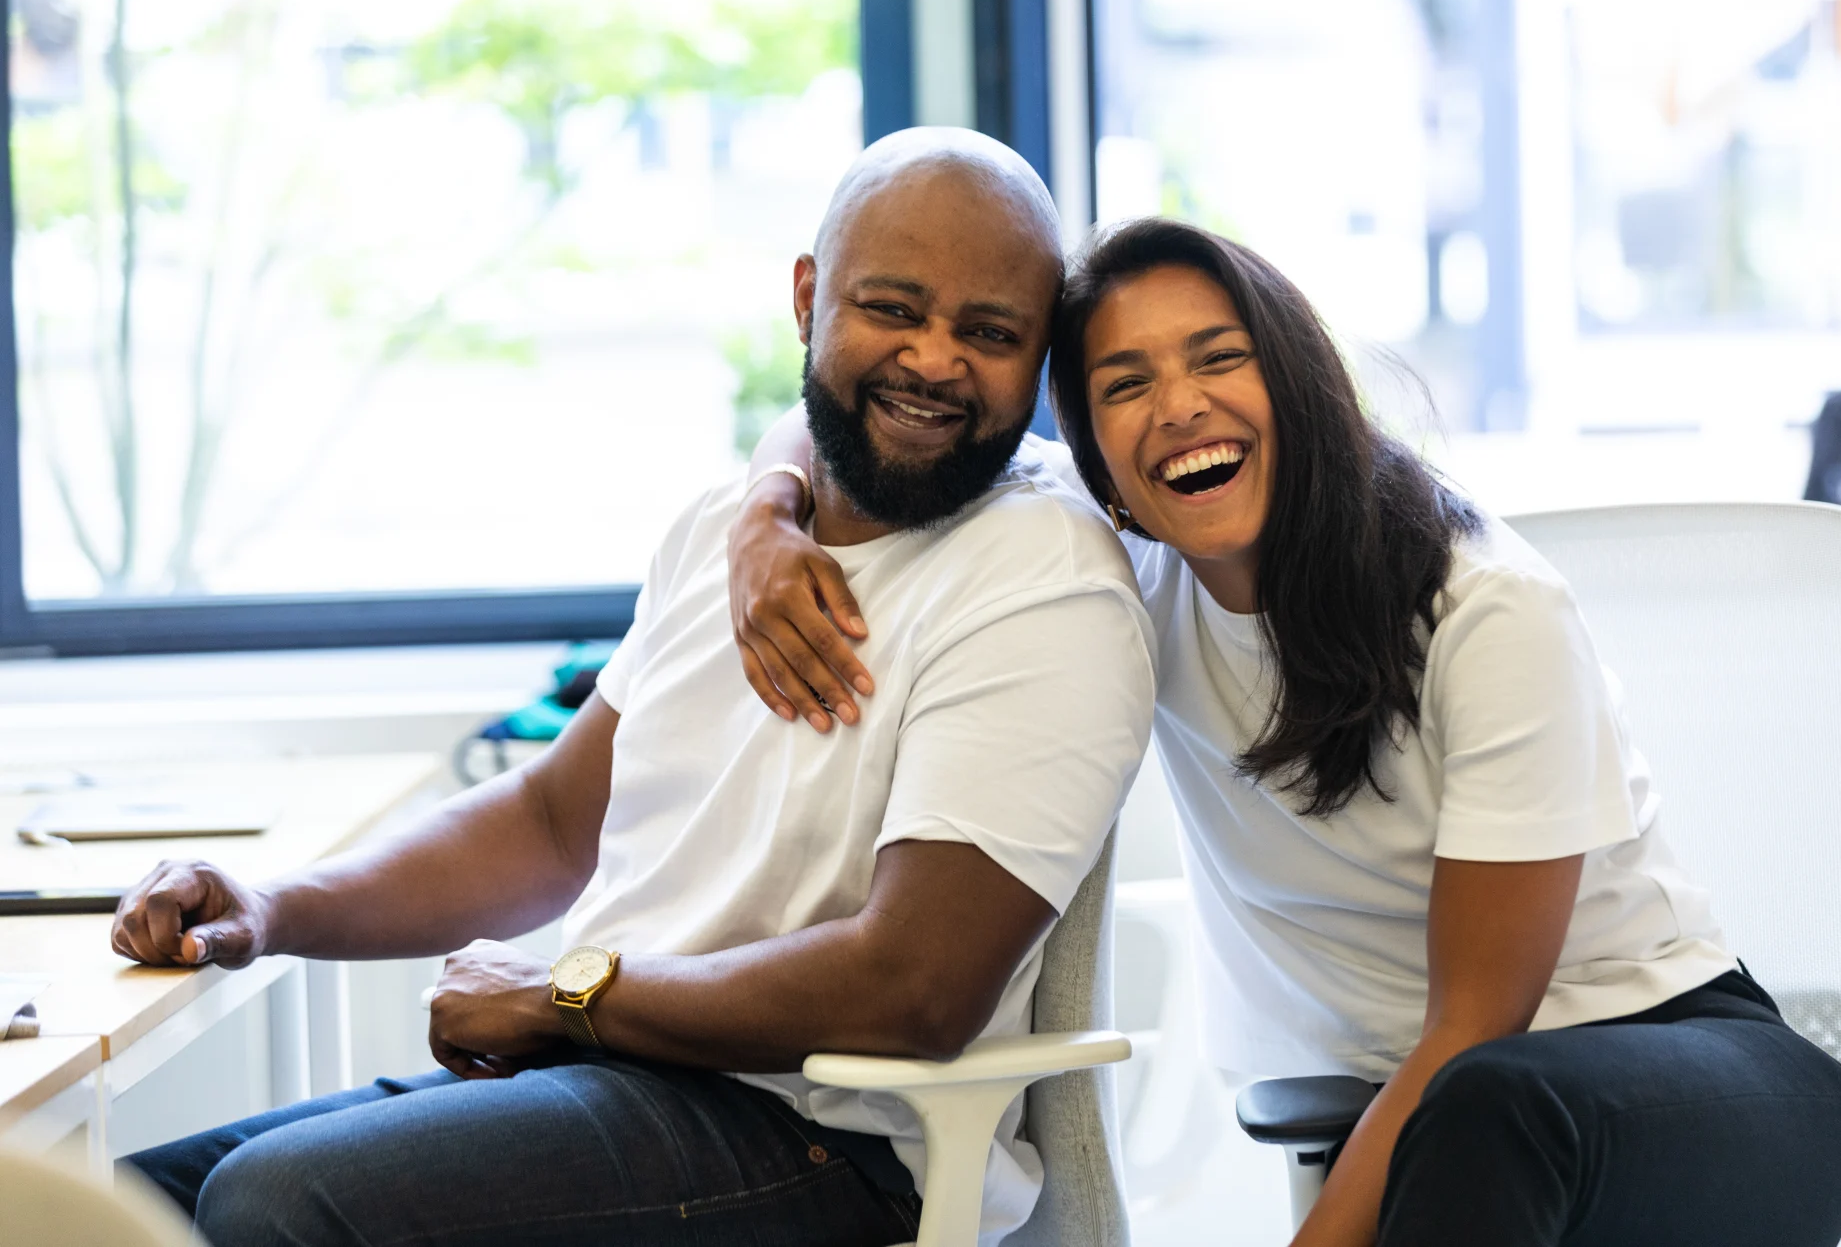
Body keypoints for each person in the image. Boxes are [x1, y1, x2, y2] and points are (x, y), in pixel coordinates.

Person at [728, 216, 1841, 1247]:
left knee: (1485, 1103)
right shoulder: (1117, 583)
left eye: (1220, 359)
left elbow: (1476, 1026)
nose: (1177, 406)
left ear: (1301, 381)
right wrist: (765, 512)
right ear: (1100, 461)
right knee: (1468, 1119)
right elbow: (886, 416)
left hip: (1695, 1077)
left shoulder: (1484, 609)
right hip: (1443, 1123)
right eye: (1123, 384)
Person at [107, 128, 1157, 1247]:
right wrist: (272, 909)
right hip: (612, 1082)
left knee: (273, 1205)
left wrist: (568, 993)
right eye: (892, 309)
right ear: (807, 299)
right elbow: (551, 820)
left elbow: (912, 990)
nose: (935, 360)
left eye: (988, 332)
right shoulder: (730, 527)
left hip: (824, 1143)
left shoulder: (1042, 578)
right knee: (105, 1213)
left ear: (1038, 359)